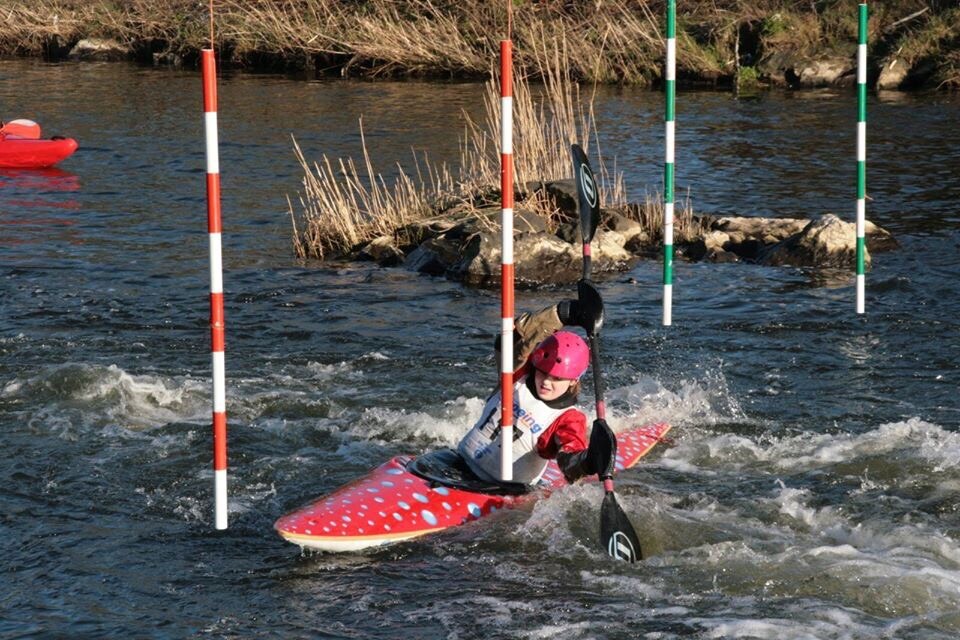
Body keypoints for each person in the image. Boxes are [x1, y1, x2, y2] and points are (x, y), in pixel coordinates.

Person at [457, 298, 617, 487]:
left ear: (574, 380)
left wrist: (588, 461)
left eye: (557, 378)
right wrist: (563, 313)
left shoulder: (567, 419)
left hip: (502, 489)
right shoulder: (517, 375)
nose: (547, 383)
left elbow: (569, 461)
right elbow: (512, 340)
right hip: (458, 464)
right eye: (543, 373)